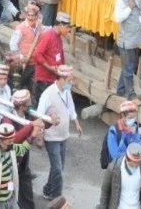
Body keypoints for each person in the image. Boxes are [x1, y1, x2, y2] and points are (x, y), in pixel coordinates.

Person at [37, 65, 82, 200]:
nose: (71, 82)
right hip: (51, 137)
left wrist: (76, 123)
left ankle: (47, 189)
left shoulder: (66, 92)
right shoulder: (47, 94)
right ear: (61, 79)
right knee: (57, 168)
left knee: (59, 166)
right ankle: (56, 198)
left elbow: (71, 108)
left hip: (63, 135)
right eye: (69, 79)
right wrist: (39, 136)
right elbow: (39, 115)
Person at [0, 122, 31, 209]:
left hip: (11, 198)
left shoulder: (10, 147)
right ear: (0, 141)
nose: (12, 144)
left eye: (12, 141)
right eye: (9, 142)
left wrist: (33, 135)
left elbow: (22, 149)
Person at [98, 142, 141, 209]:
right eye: (133, 164)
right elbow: (105, 191)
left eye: (138, 163)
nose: (136, 166)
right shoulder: (113, 168)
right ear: (127, 158)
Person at [105, 100, 141, 167]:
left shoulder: (134, 128)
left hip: (132, 161)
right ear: (122, 116)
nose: (133, 120)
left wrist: (134, 134)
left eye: (134, 117)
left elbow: (139, 148)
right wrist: (132, 157)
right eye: (130, 118)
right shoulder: (113, 131)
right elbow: (114, 154)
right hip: (118, 163)